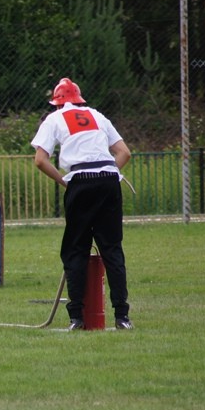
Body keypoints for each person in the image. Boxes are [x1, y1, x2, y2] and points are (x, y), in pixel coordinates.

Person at [30, 77, 133, 330]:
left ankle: (77, 317)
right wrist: (109, 174)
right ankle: (122, 316)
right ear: (79, 100)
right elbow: (124, 153)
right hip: (109, 179)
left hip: (80, 180)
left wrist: (67, 183)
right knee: (111, 249)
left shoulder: (54, 119)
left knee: (76, 248)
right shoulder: (98, 115)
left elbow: (40, 160)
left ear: (57, 104)